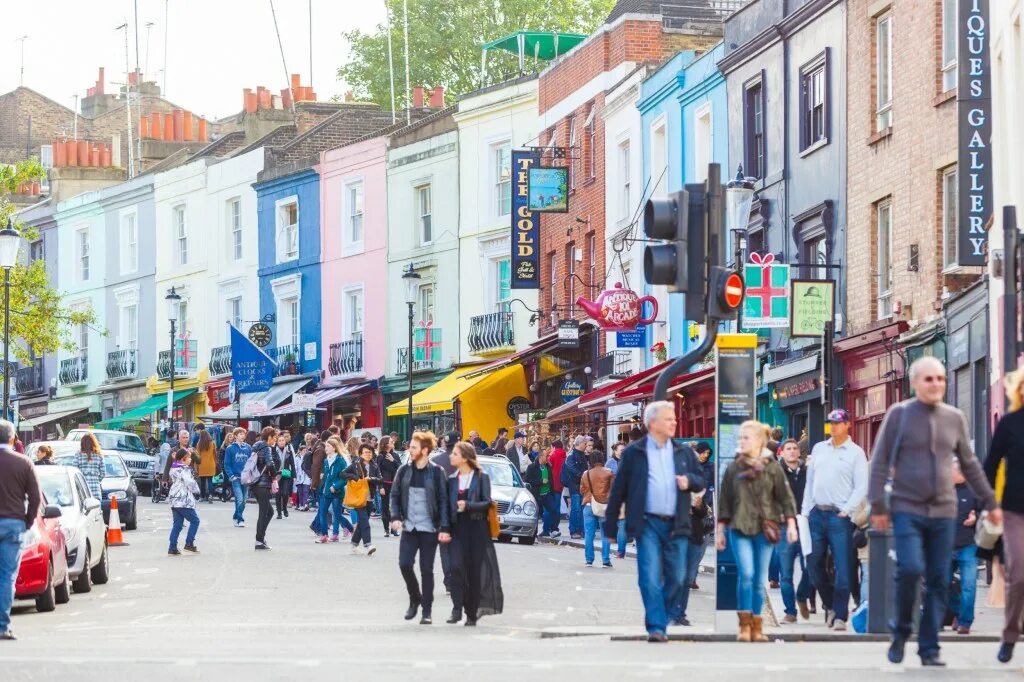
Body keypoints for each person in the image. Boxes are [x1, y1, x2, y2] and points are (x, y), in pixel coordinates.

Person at [869, 356, 998, 667]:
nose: (936, 384)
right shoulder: (898, 415)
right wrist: (878, 505)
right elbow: (879, 462)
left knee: (940, 578)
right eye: (929, 379)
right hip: (906, 508)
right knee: (911, 569)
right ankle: (900, 631)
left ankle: (929, 647)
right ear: (915, 384)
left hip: (944, 512)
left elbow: (969, 465)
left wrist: (991, 503)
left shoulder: (954, 418)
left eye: (940, 378)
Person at [603, 401, 705, 643]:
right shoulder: (634, 453)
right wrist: (609, 525)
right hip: (647, 523)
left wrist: (688, 481)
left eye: (674, 419)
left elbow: (700, 481)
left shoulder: (683, 453)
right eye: (668, 419)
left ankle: (666, 613)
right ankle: (657, 626)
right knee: (649, 576)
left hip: (677, 523)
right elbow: (619, 490)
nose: (674, 422)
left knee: (679, 577)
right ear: (653, 424)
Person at [717, 420, 798, 642]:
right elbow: (724, 500)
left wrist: (791, 524)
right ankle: (744, 625)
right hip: (740, 528)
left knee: (759, 578)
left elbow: (785, 497)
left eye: (746, 437)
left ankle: (756, 625)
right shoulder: (734, 467)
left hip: (765, 529)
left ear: (760, 440)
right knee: (747, 574)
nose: (741, 441)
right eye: (741, 437)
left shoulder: (772, 467)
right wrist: (720, 531)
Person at [801, 408, 868, 631]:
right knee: (813, 564)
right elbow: (810, 482)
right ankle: (829, 603)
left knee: (843, 567)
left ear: (848, 424)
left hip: (839, 516)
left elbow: (861, 486)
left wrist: (847, 510)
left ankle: (840, 615)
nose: (834, 427)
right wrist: (806, 510)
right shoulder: (819, 449)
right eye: (831, 423)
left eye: (838, 423)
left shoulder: (856, 453)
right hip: (816, 514)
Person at [390, 431, 451, 624]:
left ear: (425, 450)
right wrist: (395, 517)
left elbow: (443, 501)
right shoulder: (404, 470)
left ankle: (427, 611)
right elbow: (395, 495)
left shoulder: (437, 472)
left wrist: (444, 528)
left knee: (427, 569)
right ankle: (415, 596)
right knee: (404, 564)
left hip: (429, 529)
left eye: (414, 447)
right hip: (409, 527)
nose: (410, 449)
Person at [985, 364, 1024, 663]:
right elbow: (990, 465)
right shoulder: (1010, 424)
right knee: (1019, 573)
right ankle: (1010, 634)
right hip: (1014, 510)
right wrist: (991, 505)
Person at [447, 441, 503, 625]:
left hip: (477, 528)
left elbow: (487, 502)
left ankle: (471, 613)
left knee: (473, 571)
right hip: (457, 529)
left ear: (464, 457)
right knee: (455, 568)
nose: (451, 456)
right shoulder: (451, 480)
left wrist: (468, 505)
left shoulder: (481, 477)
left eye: (455, 454)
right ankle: (458, 605)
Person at [0, 419, 40, 640]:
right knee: (6, 576)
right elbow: (35, 498)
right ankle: (2, 626)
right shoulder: (23, 463)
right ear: (12, 438)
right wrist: (27, 521)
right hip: (14, 523)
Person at [775, 438, 811, 622]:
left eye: (795, 448)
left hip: (806, 525)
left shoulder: (808, 471)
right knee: (786, 573)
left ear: (799, 452)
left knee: (811, 568)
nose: (792, 451)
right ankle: (790, 612)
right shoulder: (775, 473)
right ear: (781, 452)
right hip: (784, 528)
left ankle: (801, 595)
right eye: (788, 448)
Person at [948, 459, 982, 634]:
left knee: (969, 585)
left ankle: (965, 622)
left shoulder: (975, 491)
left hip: (968, 545)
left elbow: (986, 514)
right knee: (941, 584)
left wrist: (976, 519)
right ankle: (960, 611)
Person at [674, 489, 711, 626]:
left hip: (695, 536)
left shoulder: (696, 486)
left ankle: (680, 613)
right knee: (678, 576)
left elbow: (703, 513)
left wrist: (699, 505)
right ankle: (675, 613)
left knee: (688, 578)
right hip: (677, 535)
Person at [344, 443, 381, 555]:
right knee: (365, 522)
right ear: (360, 453)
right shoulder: (355, 465)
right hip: (359, 498)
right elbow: (343, 473)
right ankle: (368, 545)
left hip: (370, 498)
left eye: (370, 452)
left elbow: (380, 479)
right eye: (365, 452)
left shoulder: (374, 465)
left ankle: (354, 544)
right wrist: (356, 478)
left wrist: (371, 479)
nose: (368, 454)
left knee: (361, 523)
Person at [315, 437, 353, 543]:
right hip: (325, 491)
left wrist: (335, 486)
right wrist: (321, 487)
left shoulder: (340, 461)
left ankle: (348, 530)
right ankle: (324, 535)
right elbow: (326, 476)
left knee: (337, 514)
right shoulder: (326, 460)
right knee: (322, 512)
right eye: (326, 446)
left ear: (334, 448)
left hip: (337, 492)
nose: (325, 448)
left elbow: (345, 478)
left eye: (328, 446)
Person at [580, 451, 614, 567]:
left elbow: (582, 490)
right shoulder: (609, 473)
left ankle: (589, 560)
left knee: (589, 534)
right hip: (604, 506)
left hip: (589, 505)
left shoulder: (586, 474)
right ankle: (606, 560)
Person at [251, 426, 281, 550]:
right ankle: (259, 540)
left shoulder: (255, 447)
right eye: (274, 438)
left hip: (255, 483)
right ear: (269, 437)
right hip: (262, 484)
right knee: (264, 512)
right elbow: (269, 463)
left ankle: (261, 538)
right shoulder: (267, 448)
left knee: (269, 511)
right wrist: (274, 476)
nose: (275, 441)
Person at [167, 448, 201, 555]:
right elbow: (190, 482)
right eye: (189, 457)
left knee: (177, 524)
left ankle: (172, 547)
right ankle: (189, 544)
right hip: (183, 499)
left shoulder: (174, 468)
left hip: (174, 499)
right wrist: (197, 491)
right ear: (183, 459)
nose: (191, 459)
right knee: (195, 521)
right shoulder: (185, 470)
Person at [525, 448, 559, 537]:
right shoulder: (532, 467)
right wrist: (540, 481)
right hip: (537, 495)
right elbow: (527, 480)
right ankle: (534, 533)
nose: (548, 457)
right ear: (541, 456)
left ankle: (554, 529)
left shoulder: (548, 466)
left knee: (553, 510)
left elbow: (551, 479)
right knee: (536, 514)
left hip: (547, 494)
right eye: (546, 456)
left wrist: (552, 491)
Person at [224, 427, 252, 527]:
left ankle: (236, 516)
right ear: (235, 436)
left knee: (243, 500)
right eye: (240, 434)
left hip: (246, 478)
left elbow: (251, 462)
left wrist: (251, 474)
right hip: (235, 478)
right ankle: (240, 519)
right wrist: (231, 475)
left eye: (243, 434)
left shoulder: (248, 447)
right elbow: (227, 464)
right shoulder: (230, 448)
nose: (242, 436)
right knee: (240, 499)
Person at [562, 436, 589, 539]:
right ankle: (574, 531)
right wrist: (583, 476)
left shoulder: (582, 455)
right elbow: (572, 469)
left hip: (582, 486)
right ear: (579, 444)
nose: (586, 445)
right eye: (585, 443)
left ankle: (581, 530)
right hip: (575, 487)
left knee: (582, 509)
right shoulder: (571, 456)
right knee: (576, 509)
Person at [69, 432, 105, 500]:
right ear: (94, 442)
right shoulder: (99, 455)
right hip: (95, 489)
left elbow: (74, 471)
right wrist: (96, 480)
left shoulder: (78, 454)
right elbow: (103, 473)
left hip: (82, 491)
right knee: (96, 509)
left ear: (82, 443)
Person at [377, 435, 401, 537]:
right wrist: (380, 487)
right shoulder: (380, 456)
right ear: (385, 444)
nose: (393, 443)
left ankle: (394, 529)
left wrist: (393, 461)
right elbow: (378, 472)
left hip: (395, 484)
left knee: (395, 507)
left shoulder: (395, 455)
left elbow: (401, 468)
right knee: (385, 507)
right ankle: (386, 529)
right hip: (385, 484)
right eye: (391, 442)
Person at [273, 433, 294, 520]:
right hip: (277, 475)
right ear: (277, 442)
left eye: (283, 440)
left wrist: (294, 475)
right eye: (280, 441)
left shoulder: (289, 451)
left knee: (285, 493)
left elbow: (292, 464)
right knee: (277, 494)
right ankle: (279, 513)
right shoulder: (273, 451)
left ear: (285, 442)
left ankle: (284, 508)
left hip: (286, 474)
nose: (281, 442)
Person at [195, 428, 217, 504]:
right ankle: (210, 495)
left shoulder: (199, 444)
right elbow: (214, 454)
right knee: (210, 481)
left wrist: (196, 466)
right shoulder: (212, 443)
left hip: (201, 465)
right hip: (211, 464)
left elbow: (197, 456)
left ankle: (202, 496)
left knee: (202, 482)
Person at [309, 431, 328, 512]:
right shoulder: (321, 449)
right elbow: (316, 467)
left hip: (322, 481)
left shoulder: (321, 448)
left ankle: (316, 524)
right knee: (324, 508)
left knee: (324, 509)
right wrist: (314, 483)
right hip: (321, 481)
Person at [295, 438, 312, 512]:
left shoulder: (309, 458)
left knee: (306, 491)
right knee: (300, 492)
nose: (305, 452)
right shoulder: (297, 458)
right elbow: (295, 467)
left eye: (306, 450)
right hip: (299, 477)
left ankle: (305, 505)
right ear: (300, 451)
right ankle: (301, 505)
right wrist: (295, 476)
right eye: (304, 451)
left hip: (306, 477)